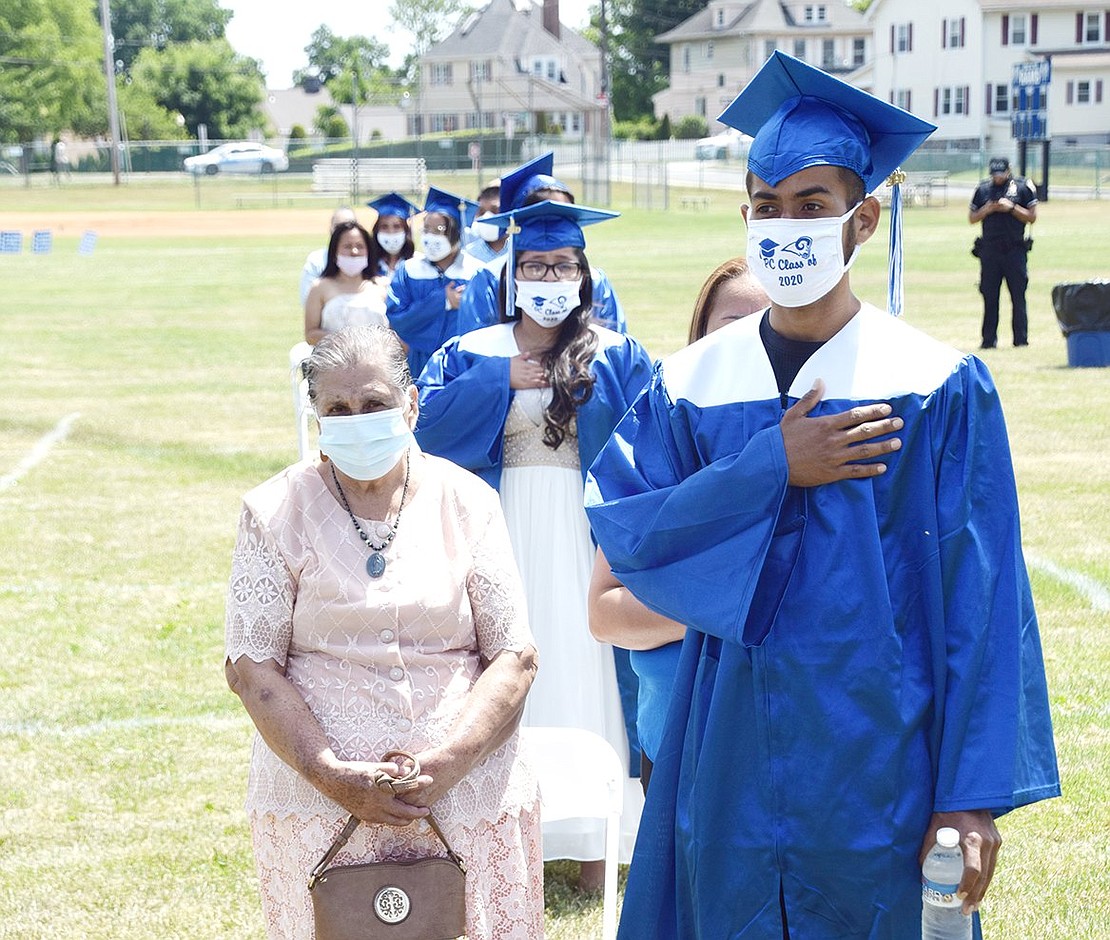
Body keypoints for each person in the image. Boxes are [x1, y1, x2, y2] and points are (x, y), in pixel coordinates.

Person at [584, 51, 1060, 939]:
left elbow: (982, 602)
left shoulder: (935, 385)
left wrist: (970, 795)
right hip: (723, 747)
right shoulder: (690, 384)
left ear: (863, 218)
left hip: (881, 747)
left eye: (812, 206)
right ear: (745, 217)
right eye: (767, 209)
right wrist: (771, 466)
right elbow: (633, 540)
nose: (786, 228)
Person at [224, 325, 543, 939]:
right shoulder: (273, 510)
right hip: (318, 806)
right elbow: (252, 668)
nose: (357, 420)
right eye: (337, 410)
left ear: (411, 404)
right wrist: (333, 775)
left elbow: (515, 655)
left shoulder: (468, 500)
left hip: (466, 798)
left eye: (374, 404)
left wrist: (447, 764)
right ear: (316, 418)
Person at [415, 199, 653, 890]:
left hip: (584, 538)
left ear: (584, 275)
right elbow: (421, 429)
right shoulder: (475, 351)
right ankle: (505, 831)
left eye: (563, 265)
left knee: (587, 670)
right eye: (535, 265)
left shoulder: (616, 353)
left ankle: (593, 844)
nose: (549, 276)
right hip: (501, 529)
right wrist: (499, 383)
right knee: (500, 669)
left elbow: (649, 440)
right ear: (512, 273)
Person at [588, 257, 769, 794]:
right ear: (698, 337)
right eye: (729, 328)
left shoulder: (823, 445)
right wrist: (729, 612)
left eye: (766, 326)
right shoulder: (660, 445)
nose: (747, 344)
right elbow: (604, 613)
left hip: (793, 738)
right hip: (677, 736)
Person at [457, 153, 628, 335]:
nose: (550, 221)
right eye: (538, 212)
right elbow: (472, 349)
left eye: (563, 213)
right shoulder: (490, 279)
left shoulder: (594, 280)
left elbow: (614, 347)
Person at [385, 186, 482, 378]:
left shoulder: (476, 272)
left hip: (463, 366)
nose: (430, 237)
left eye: (439, 230)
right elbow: (398, 318)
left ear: (457, 231)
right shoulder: (408, 271)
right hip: (418, 365)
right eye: (426, 229)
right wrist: (442, 301)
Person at [969, 157, 1038, 348]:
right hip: (990, 251)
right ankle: (988, 340)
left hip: (1015, 250)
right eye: (994, 174)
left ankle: (1021, 339)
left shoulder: (1023, 187)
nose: (998, 178)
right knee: (990, 297)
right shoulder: (983, 189)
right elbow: (972, 218)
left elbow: (1032, 217)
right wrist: (988, 209)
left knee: (1018, 295)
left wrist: (1012, 208)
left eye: (1001, 173)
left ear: (1009, 171)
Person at [303, 221, 388, 345]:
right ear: (334, 252)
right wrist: (347, 341)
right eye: (347, 246)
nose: (354, 251)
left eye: (360, 246)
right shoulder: (319, 288)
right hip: (335, 361)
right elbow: (311, 334)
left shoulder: (383, 286)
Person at [299, 207, 358, 305]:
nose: (344, 232)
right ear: (331, 230)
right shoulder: (316, 262)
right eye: (338, 227)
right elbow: (308, 303)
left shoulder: (367, 261)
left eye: (349, 226)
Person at [366, 192, 420, 282]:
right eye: (384, 227)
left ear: (406, 230)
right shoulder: (368, 263)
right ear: (376, 230)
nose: (391, 232)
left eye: (397, 226)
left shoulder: (418, 263)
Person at [465, 182, 509, 264]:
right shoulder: (469, 255)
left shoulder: (519, 252)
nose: (487, 216)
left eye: (495, 211)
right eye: (481, 212)